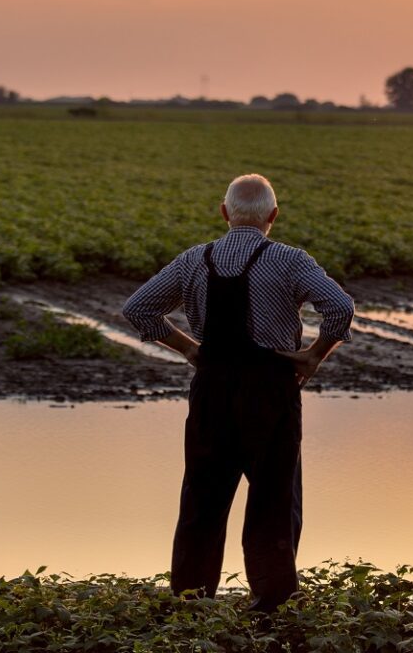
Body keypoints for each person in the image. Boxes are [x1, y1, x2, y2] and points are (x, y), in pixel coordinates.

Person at [122, 174, 354, 611]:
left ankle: (192, 603)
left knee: (202, 499)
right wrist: (314, 356)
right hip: (270, 390)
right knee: (274, 497)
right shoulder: (289, 260)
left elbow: (138, 308)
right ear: (273, 215)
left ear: (225, 212)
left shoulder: (195, 259)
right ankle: (272, 605)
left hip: (211, 390)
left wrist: (189, 348)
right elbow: (340, 307)